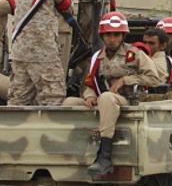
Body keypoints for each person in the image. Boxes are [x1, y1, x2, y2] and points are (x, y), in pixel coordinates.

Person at [63, 11, 161, 176]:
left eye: (116, 35)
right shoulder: (97, 58)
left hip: (127, 100)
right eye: (108, 35)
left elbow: (154, 78)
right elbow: (89, 82)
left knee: (107, 98)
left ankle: (105, 157)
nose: (112, 39)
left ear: (122, 35)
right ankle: (74, 149)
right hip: (103, 99)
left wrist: (126, 80)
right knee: (69, 103)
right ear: (103, 36)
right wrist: (89, 96)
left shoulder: (134, 54)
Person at [8, 0, 73, 106]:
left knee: (19, 100)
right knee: (53, 98)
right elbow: (67, 6)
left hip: (19, 49)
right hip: (43, 50)